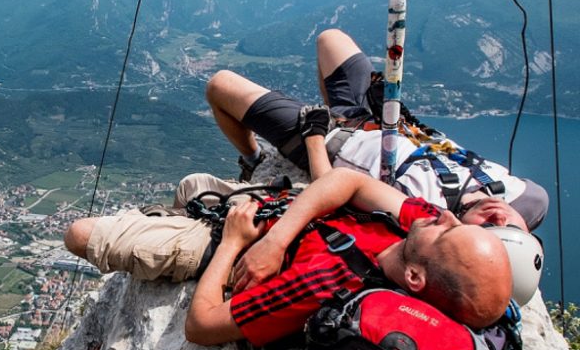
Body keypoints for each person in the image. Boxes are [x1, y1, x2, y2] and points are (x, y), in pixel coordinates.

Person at [64, 167, 512, 347]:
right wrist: (276, 240)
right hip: (273, 219)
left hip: (224, 241)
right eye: (458, 223)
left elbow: (201, 326)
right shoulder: (416, 225)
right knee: (192, 183)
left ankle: (173, 228)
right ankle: (172, 218)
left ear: (415, 278)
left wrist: (233, 245)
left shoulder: (327, 284)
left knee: (79, 234)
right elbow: (348, 181)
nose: (448, 218)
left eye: (448, 234)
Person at [205, 29, 549, 233]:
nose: (499, 220)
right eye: (513, 230)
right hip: (377, 120)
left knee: (220, 86)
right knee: (331, 39)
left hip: (331, 140)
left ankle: (252, 158)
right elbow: (514, 221)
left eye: (490, 231)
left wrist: (313, 137)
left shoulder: (421, 211)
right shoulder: (525, 199)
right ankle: (342, 105)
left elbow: (332, 193)